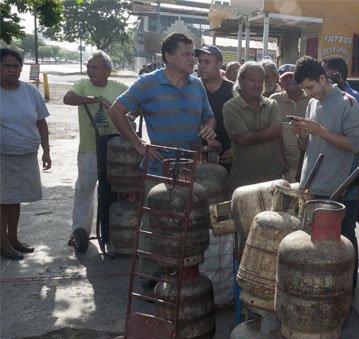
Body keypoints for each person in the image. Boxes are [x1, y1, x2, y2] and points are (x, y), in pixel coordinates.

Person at [108, 33, 218, 280]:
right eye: (186, 54)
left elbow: (209, 116)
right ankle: (151, 277)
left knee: (187, 223)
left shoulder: (197, 85)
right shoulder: (148, 83)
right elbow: (116, 112)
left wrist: (209, 126)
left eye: (194, 54)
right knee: (154, 224)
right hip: (159, 167)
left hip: (191, 167)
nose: (193, 60)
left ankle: (180, 273)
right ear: (168, 56)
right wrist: (138, 145)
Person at [290, 56, 359, 288]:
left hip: (337, 192)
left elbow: (356, 145)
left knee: (343, 245)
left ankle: (346, 291)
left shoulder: (347, 102)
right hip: (311, 188)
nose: (308, 93)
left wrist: (320, 131)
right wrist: (302, 132)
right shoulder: (313, 102)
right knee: (317, 250)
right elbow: (309, 144)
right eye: (304, 89)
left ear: (323, 78)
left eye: (310, 87)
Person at [63, 50, 128, 247]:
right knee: (84, 190)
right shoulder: (82, 85)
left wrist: (126, 113)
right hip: (89, 149)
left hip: (116, 151)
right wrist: (94, 99)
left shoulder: (119, 87)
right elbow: (68, 98)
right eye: (89, 67)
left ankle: (112, 231)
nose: (90, 71)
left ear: (107, 71)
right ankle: (79, 232)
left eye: (95, 67)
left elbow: (137, 105)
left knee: (114, 192)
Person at [0, 48, 51, 260]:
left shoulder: (31, 92)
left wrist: (46, 150)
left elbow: (41, 121)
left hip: (26, 154)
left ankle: (13, 238)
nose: (11, 70)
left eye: (15, 66)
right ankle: (3, 244)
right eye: (6, 66)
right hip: (3, 156)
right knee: (2, 200)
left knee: (15, 199)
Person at [322, 56, 359, 228]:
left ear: (339, 76)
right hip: (328, 182)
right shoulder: (320, 100)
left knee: (346, 233)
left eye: (326, 74)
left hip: (349, 182)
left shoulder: (351, 100)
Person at [221, 61, 285, 194]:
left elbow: (278, 130)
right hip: (244, 181)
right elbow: (242, 140)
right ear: (240, 80)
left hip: (272, 178)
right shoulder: (231, 106)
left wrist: (251, 135)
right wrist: (268, 133)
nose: (257, 85)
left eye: (260, 81)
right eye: (252, 80)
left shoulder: (271, 104)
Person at [195, 45, 234, 171]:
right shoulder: (191, 89)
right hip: (198, 155)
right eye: (200, 61)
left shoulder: (234, 91)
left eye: (207, 62)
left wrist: (236, 150)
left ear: (219, 64)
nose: (201, 65)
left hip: (228, 154)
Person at [270, 70, 310, 182]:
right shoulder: (274, 100)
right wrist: (282, 160)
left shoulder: (311, 98)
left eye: (292, 76)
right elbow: (275, 133)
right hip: (286, 166)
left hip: (309, 163)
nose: (289, 80)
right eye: (285, 78)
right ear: (280, 82)